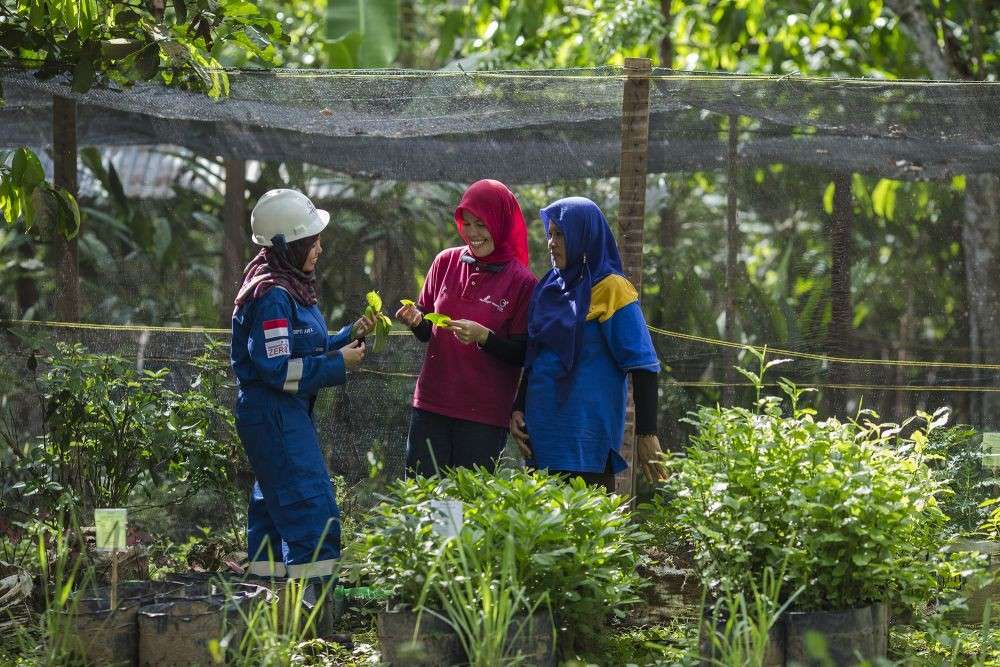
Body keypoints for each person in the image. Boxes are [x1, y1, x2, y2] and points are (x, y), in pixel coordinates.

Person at [231, 188, 373, 584]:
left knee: (272, 507)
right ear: (286, 246)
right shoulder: (274, 296)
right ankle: (314, 613)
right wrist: (335, 365)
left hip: (277, 414)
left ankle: (266, 602)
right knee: (313, 508)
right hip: (274, 412)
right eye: (311, 242)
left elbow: (301, 344)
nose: (319, 248)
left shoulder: (286, 283)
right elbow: (277, 370)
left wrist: (346, 335)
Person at [511, 196, 665, 491]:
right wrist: (518, 408)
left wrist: (646, 432)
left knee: (589, 528)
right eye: (550, 234)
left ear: (584, 236)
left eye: (561, 234)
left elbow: (643, 365)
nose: (551, 243)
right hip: (542, 430)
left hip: (587, 434)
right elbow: (536, 356)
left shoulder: (612, 288)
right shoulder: (549, 288)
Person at [395, 179, 537, 475]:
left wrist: (485, 337)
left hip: (483, 416)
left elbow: (524, 354)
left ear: (500, 224)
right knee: (425, 502)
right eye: (467, 223)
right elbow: (427, 333)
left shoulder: (522, 282)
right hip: (432, 405)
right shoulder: (445, 262)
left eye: (482, 225)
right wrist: (416, 320)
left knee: (464, 508)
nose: (472, 233)